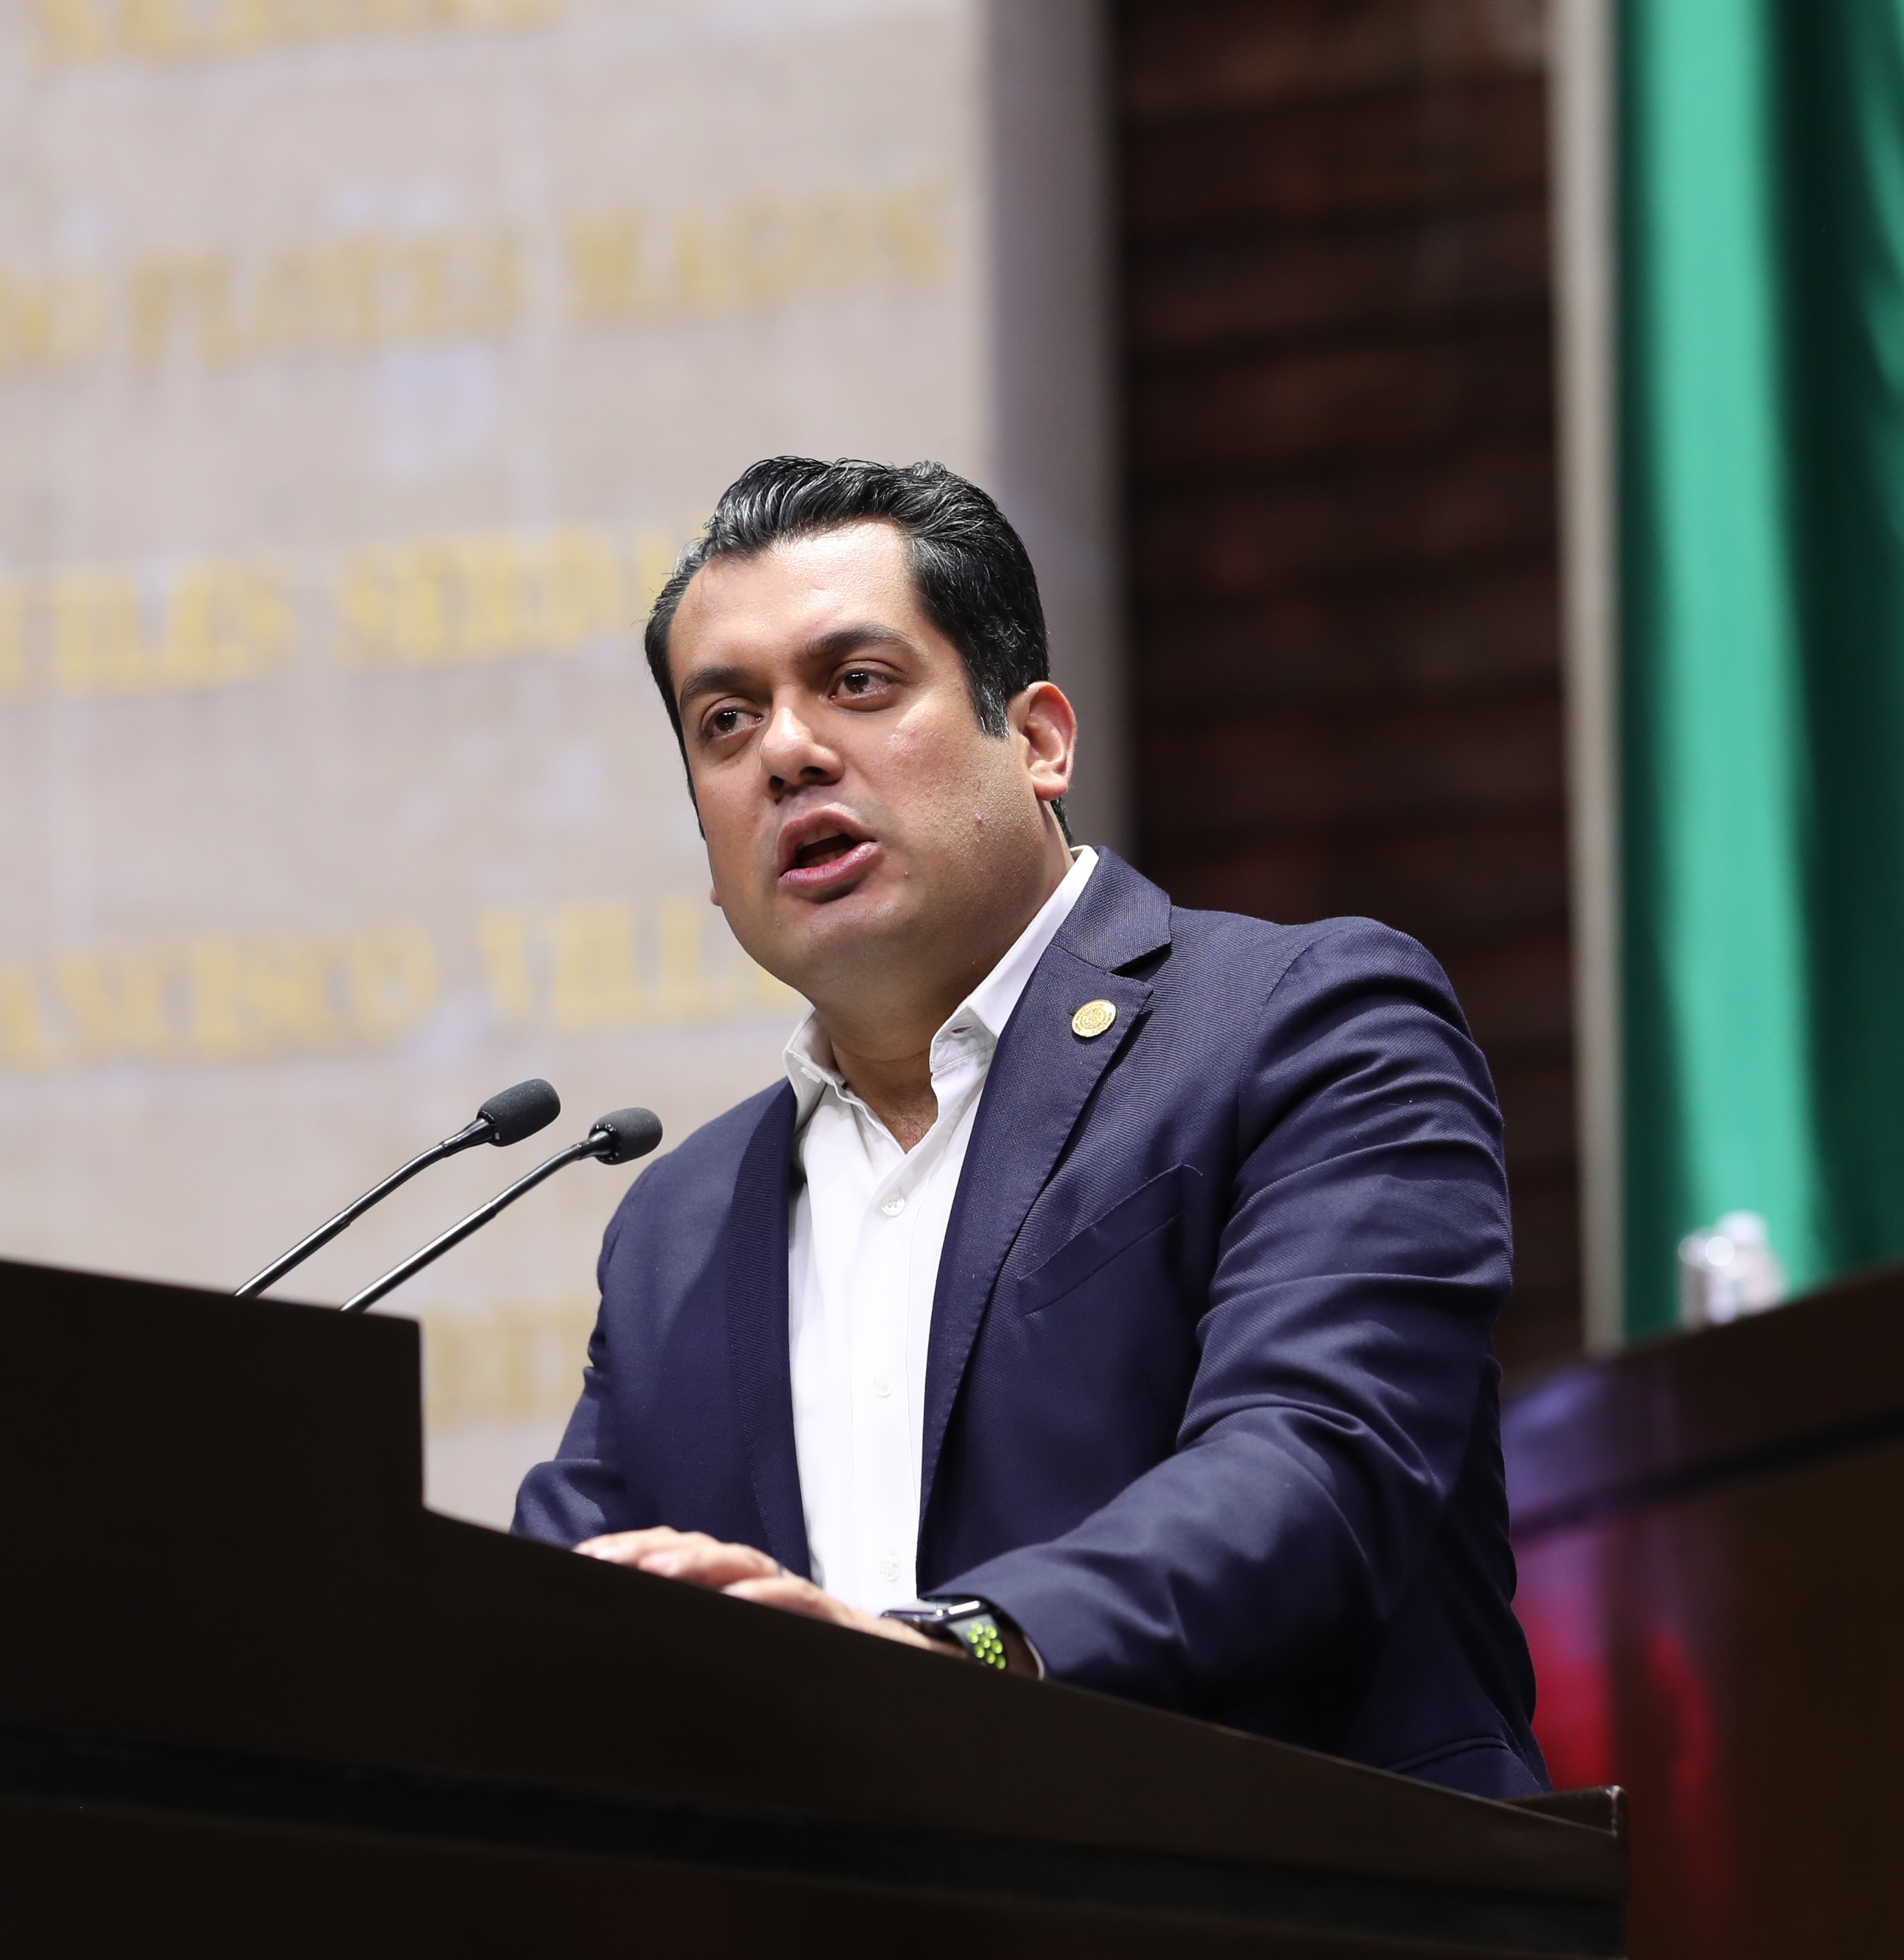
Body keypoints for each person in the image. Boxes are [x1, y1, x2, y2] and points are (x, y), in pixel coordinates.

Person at [513, 457, 1546, 1797]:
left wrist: (960, 1655)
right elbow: (550, 1614)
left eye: (858, 682)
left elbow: (1315, 1469)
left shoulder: (1303, 1024)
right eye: (725, 722)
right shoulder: (677, 1224)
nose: (787, 752)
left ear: (1041, 741)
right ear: (709, 855)